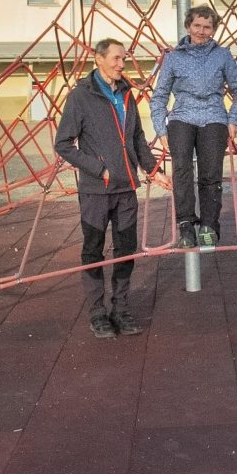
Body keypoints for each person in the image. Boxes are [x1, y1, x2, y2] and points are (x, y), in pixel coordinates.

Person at [54, 38, 171, 340]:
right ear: (99, 59)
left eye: (124, 59)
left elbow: (136, 138)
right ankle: (97, 313)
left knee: (125, 251)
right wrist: (99, 168)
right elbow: (63, 144)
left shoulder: (128, 95)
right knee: (93, 250)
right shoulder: (81, 97)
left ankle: (120, 308)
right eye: (117, 59)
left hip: (126, 190)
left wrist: (153, 170)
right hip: (96, 191)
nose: (122, 64)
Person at [150, 5, 237, 249]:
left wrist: (234, 120)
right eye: (197, 26)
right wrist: (161, 129)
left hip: (214, 116)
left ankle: (208, 225)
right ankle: (185, 223)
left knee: (211, 173)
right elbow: (159, 96)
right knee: (181, 169)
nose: (202, 31)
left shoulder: (222, 55)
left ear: (214, 29)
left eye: (208, 27)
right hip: (182, 116)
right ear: (188, 26)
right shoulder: (174, 57)